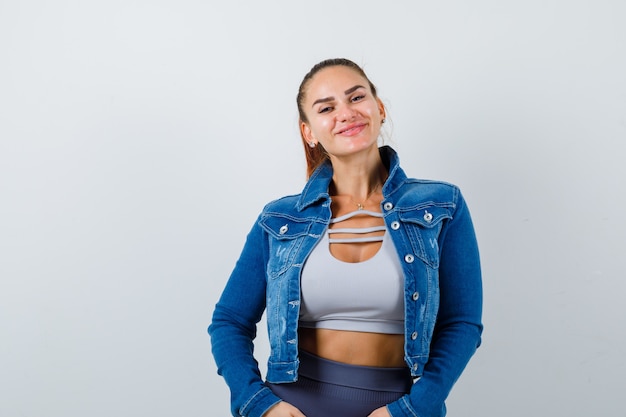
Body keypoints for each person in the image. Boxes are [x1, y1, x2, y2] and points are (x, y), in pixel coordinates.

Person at [209, 58, 483, 417]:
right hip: (294, 407)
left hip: (396, 408)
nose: (346, 113)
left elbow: (461, 323)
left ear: (379, 108)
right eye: (327, 107)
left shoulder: (441, 205)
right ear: (309, 131)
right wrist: (260, 404)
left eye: (356, 98)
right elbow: (229, 321)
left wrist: (414, 408)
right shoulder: (280, 219)